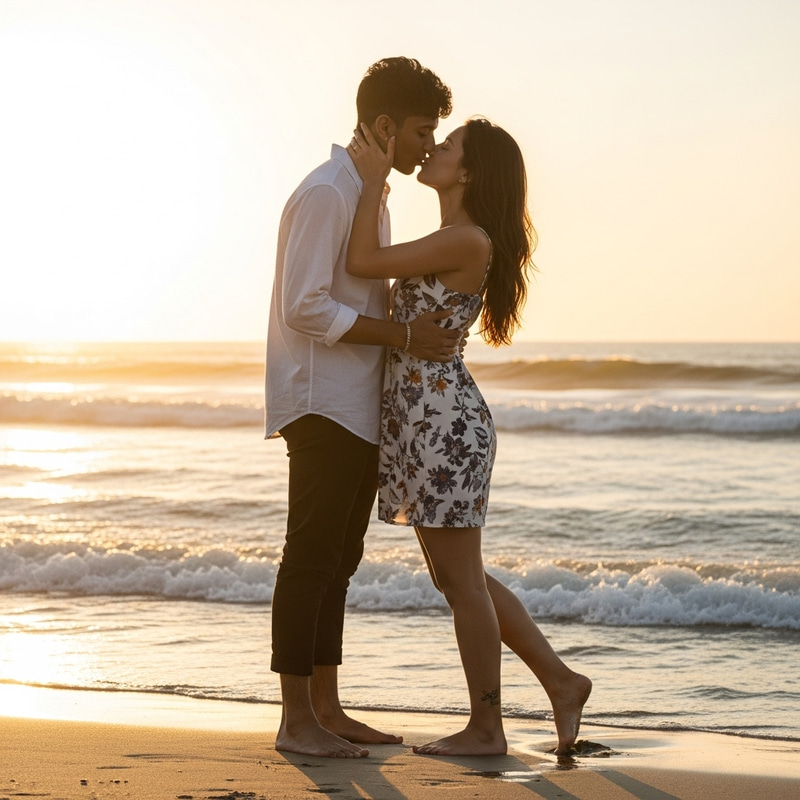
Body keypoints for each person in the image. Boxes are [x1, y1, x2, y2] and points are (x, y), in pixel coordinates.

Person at [345, 117, 592, 756]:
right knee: (460, 580)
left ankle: (488, 728)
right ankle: (561, 683)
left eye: (448, 145)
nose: (434, 148)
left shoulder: (465, 240)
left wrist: (371, 181)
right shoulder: (454, 237)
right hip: (429, 422)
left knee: (462, 584)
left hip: (444, 427)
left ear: (469, 172)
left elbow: (361, 262)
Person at [265, 57, 459, 759]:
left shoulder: (369, 192)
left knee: (340, 560)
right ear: (383, 125)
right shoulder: (328, 192)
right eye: (420, 131)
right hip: (321, 401)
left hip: (356, 403)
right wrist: (404, 336)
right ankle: (295, 721)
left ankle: (327, 708)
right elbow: (305, 306)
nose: (428, 146)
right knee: (310, 558)